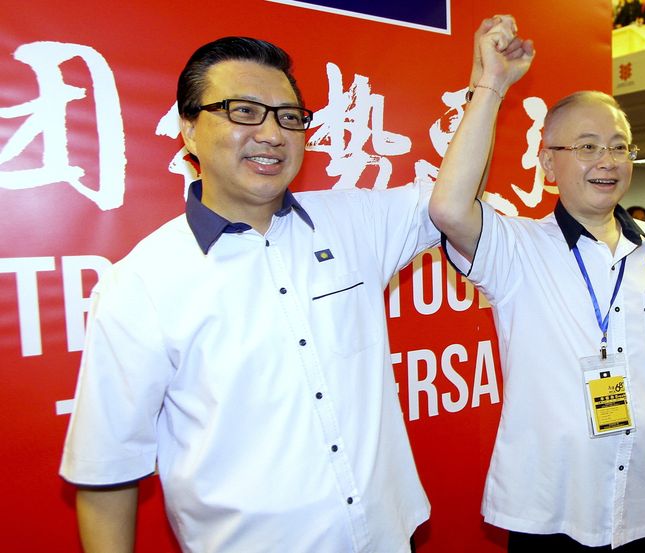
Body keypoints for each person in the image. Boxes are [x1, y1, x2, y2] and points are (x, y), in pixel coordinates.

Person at [58, 33, 481, 553]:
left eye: (288, 117)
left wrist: (489, 87)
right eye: (244, 112)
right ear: (188, 129)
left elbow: (453, 202)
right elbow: (107, 473)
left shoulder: (354, 222)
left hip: (390, 539)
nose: (272, 134)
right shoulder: (142, 282)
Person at [430, 16, 645, 551]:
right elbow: (450, 207)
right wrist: (492, 85)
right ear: (549, 164)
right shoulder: (518, 249)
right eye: (588, 147)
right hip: (550, 508)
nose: (608, 161)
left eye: (620, 147)